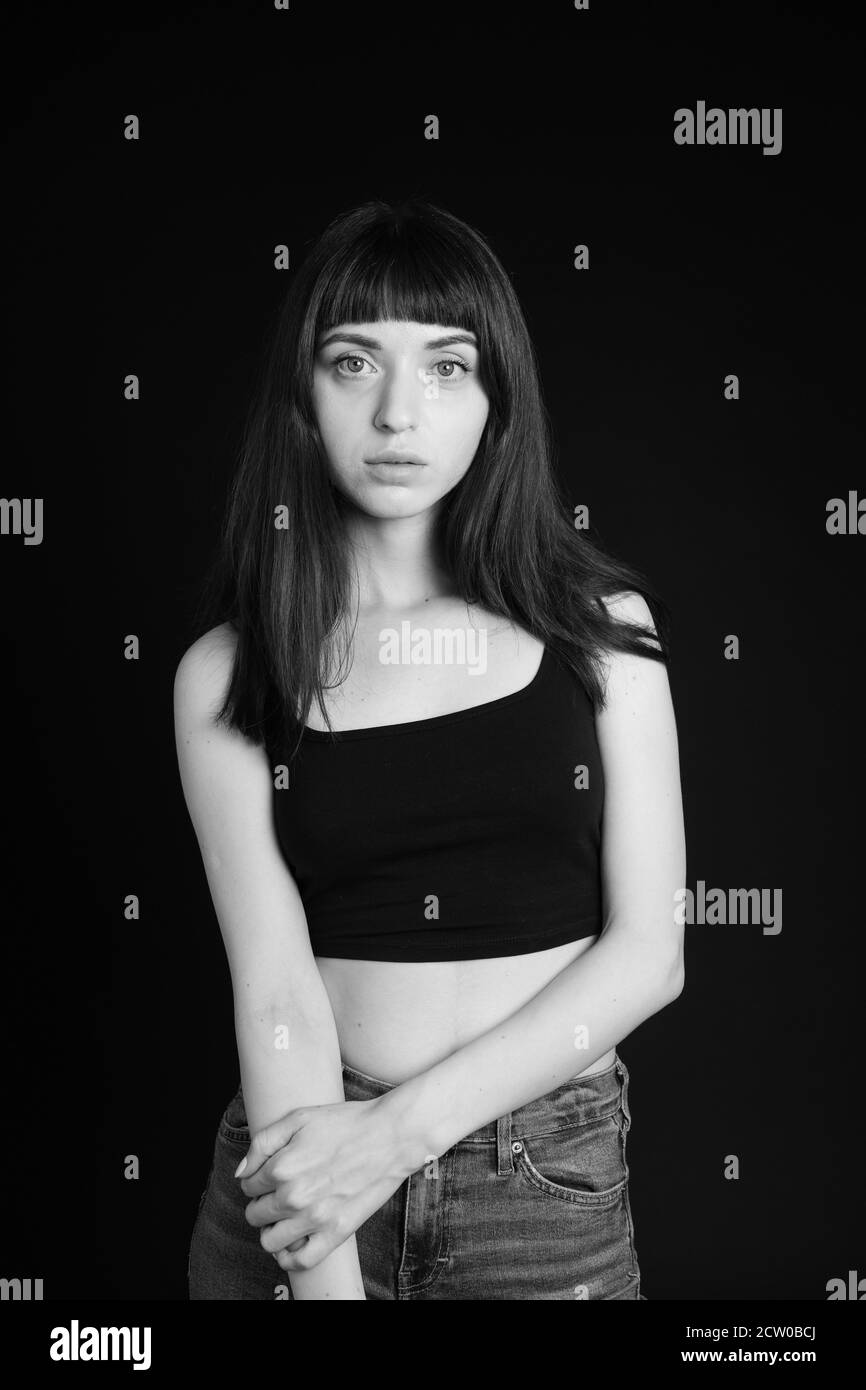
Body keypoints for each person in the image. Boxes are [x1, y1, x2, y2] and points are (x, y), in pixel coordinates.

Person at [174, 198, 686, 1301]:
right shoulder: (228, 670)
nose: (399, 411)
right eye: (353, 362)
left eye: (447, 367)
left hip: (538, 1187)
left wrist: (393, 1136)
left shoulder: (602, 632)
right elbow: (276, 995)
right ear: (303, 398)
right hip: (296, 1181)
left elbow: (649, 953)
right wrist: (325, 1269)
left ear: (496, 400)